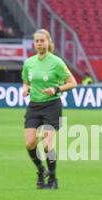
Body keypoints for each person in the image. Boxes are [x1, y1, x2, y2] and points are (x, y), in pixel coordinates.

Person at [22, 29, 77, 189]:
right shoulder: (29, 63)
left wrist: (56, 89)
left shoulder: (56, 62)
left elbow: (72, 82)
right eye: (37, 41)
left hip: (51, 105)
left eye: (42, 40)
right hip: (34, 105)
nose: (39, 43)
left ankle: (53, 178)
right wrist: (25, 88)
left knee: (47, 145)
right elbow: (26, 81)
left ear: (48, 42)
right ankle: (41, 170)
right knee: (30, 143)